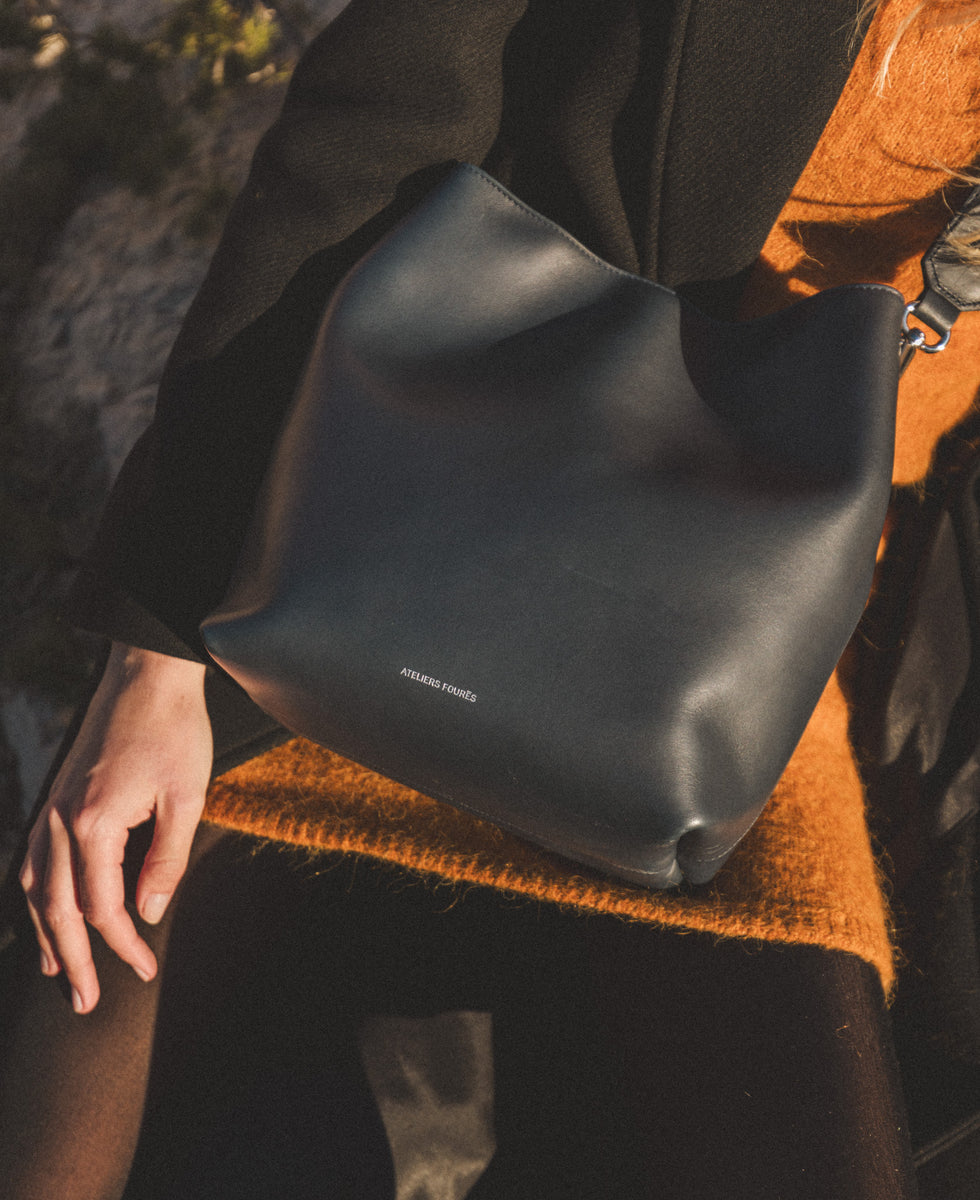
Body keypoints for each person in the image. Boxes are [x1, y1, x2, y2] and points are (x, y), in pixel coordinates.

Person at [2, 0, 979, 1195]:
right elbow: (364, 138)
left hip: (736, 681)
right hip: (397, 547)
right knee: (74, 1086)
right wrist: (154, 656)